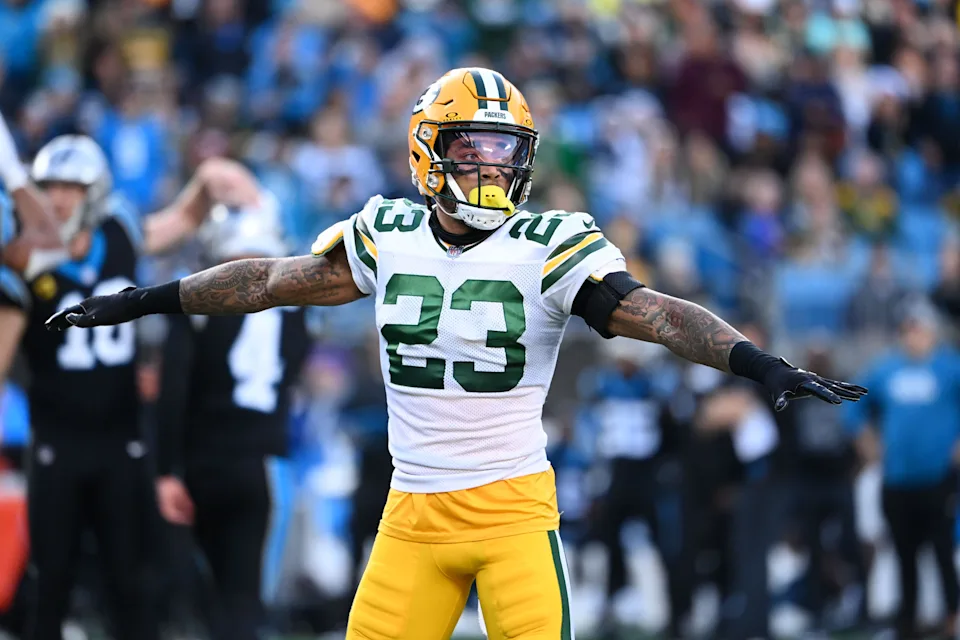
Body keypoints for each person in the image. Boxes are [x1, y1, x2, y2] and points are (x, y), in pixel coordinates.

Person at [45, 67, 867, 640]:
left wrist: (758, 363)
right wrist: (143, 299)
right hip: (412, 513)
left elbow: (652, 312)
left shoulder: (550, 243)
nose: (492, 164)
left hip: (512, 512)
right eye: (472, 146)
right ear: (428, 150)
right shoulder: (388, 232)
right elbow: (268, 279)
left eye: (505, 149)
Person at [0, 131, 260, 640]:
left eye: (70, 187)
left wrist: (207, 181)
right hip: (56, 439)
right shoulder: (22, 259)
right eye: (49, 186)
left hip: (121, 440)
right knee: (52, 579)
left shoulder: (120, 234)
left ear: (93, 193)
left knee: (132, 581)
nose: (57, 198)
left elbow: (182, 219)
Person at [154, 191, 309, 640]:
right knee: (247, 599)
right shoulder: (296, 308)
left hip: (201, 460)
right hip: (262, 462)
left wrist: (166, 468)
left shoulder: (199, 297)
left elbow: (174, 391)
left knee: (204, 596)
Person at [846, 300, 960, 639]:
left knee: (941, 551)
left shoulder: (950, 367)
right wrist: (867, 444)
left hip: (938, 479)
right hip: (897, 480)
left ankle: (952, 618)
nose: (915, 337)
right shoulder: (886, 369)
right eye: (909, 329)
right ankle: (906, 624)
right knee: (904, 555)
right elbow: (854, 404)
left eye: (921, 329)